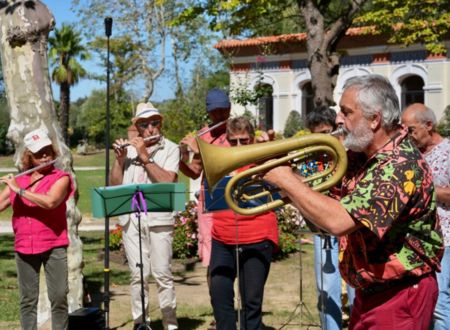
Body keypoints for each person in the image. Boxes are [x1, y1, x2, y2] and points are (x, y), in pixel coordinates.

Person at [262, 74, 443, 329]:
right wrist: (288, 182)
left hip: (400, 295)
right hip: (372, 291)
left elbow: (338, 221)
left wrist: (288, 182)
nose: (338, 119)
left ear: (374, 119)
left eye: (346, 112)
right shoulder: (361, 157)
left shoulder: (401, 165)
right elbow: (324, 215)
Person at [110, 102, 180, 330]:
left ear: (161, 123)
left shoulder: (171, 148)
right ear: (138, 128)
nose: (151, 128)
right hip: (132, 220)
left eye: (155, 123)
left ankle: (170, 324)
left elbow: (168, 181)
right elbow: (114, 185)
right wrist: (120, 160)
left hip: (159, 219)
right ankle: (141, 323)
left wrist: (144, 156)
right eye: (145, 124)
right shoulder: (128, 150)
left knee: (162, 274)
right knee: (138, 275)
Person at [205, 116, 278, 330]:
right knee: (219, 294)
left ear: (252, 139)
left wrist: (270, 151)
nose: (238, 146)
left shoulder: (263, 158)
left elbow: (285, 177)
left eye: (244, 141)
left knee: (251, 303)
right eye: (233, 141)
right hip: (222, 237)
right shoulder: (220, 159)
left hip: (258, 236)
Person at [0, 128, 74, 330]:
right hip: (24, 246)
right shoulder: (20, 179)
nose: (44, 157)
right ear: (29, 157)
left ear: (53, 153)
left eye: (47, 151)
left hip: (53, 245)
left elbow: (50, 202)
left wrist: (19, 190)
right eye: (38, 153)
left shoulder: (62, 178)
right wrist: (13, 186)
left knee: (58, 297)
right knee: (27, 301)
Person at [179, 88, 231, 329]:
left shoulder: (237, 130)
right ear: (209, 113)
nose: (220, 115)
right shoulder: (204, 135)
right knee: (213, 261)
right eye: (215, 111)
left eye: (224, 110)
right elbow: (195, 171)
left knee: (235, 260)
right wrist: (182, 157)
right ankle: (218, 314)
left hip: (234, 200)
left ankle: (233, 312)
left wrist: (200, 149)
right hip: (210, 203)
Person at [402, 103, 450, 330]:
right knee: (423, 302)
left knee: (440, 305)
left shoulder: (448, 151)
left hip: (445, 239)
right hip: (417, 241)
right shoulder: (411, 154)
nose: (407, 135)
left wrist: (425, 191)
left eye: (411, 129)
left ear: (429, 125)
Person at [305, 107, 355, 330]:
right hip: (323, 228)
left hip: (351, 226)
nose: (323, 139)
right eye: (317, 134)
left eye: (327, 132)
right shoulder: (309, 158)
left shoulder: (351, 152)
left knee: (357, 285)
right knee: (326, 288)